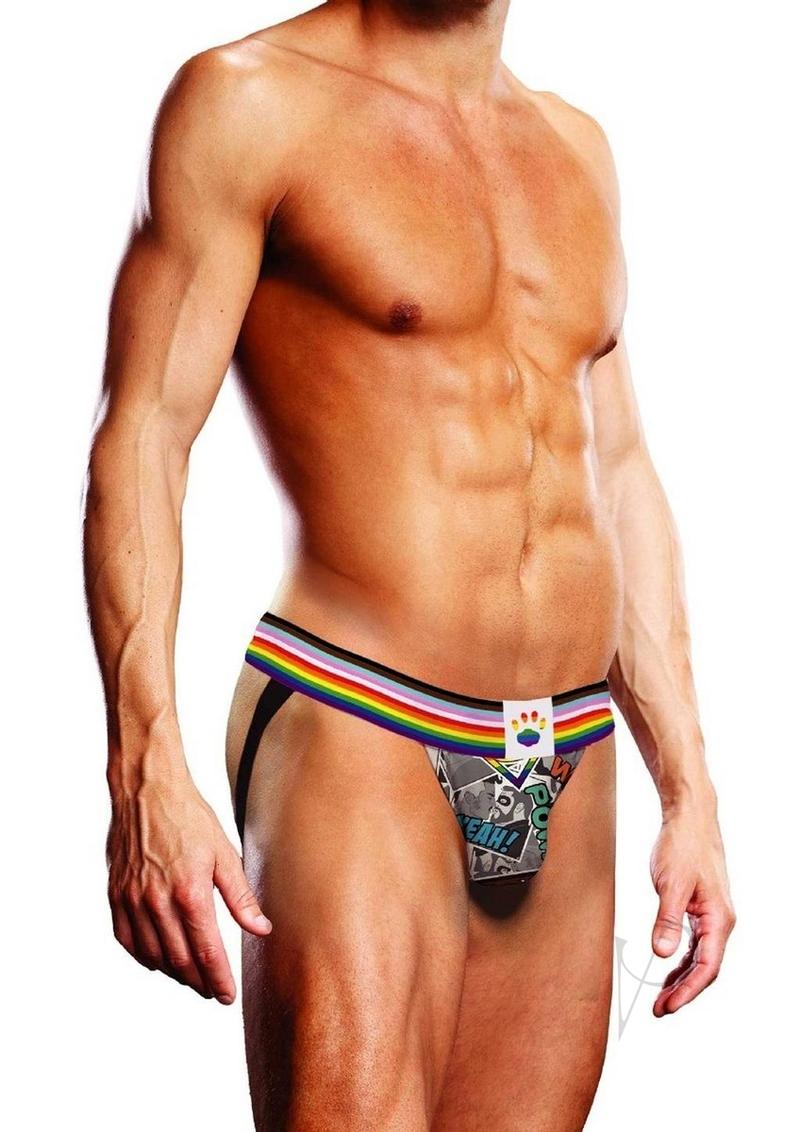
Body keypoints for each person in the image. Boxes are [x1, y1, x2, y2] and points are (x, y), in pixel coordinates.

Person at [82, 1, 736, 1128]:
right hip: (362, 719)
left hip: (568, 747)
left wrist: (690, 786)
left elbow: (620, 473)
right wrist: (143, 765)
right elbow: (142, 434)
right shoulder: (249, 101)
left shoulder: (575, 146)